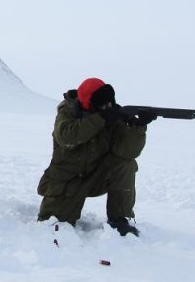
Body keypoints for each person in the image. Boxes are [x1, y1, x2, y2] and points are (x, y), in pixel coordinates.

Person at [37, 78, 155, 237]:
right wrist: (101, 119)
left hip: (96, 177)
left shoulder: (113, 115)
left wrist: (138, 127)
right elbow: (68, 137)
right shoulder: (67, 112)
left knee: (125, 164)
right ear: (88, 104)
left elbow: (126, 152)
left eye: (110, 103)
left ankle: (119, 218)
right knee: (52, 224)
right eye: (103, 104)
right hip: (67, 182)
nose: (108, 107)